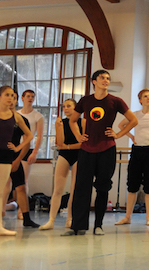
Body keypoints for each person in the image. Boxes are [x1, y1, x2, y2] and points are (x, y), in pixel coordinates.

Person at [65, 70, 138, 236]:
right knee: (81, 188)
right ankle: (78, 226)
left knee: (102, 188)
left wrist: (118, 135)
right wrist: (78, 136)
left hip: (107, 149)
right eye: (102, 78)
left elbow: (133, 120)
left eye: (108, 78)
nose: (105, 80)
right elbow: (72, 120)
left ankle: (98, 225)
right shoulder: (85, 100)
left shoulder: (115, 101)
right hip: (86, 149)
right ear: (94, 81)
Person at [0, 86, 33, 236]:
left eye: (12, 95)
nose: (10, 98)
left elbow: (29, 136)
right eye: (7, 95)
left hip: (6, 156)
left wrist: (18, 148)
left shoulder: (16, 117)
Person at [115, 89, 149, 227]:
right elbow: (121, 125)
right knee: (132, 185)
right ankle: (127, 216)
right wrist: (132, 137)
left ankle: (148, 217)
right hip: (137, 150)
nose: (148, 98)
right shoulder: (135, 114)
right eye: (145, 96)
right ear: (140, 100)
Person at [39, 99, 82, 230]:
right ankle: (51, 220)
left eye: (69, 106)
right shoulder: (60, 122)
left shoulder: (83, 122)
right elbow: (60, 143)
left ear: (75, 108)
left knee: (74, 190)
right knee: (58, 189)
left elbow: (83, 143)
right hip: (64, 155)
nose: (66, 108)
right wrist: (59, 127)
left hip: (78, 155)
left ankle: (70, 218)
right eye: (64, 106)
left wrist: (67, 147)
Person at [18, 90, 44, 190]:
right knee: (9, 179)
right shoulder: (16, 114)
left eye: (32, 96)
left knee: (24, 179)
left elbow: (40, 136)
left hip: (28, 148)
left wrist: (35, 152)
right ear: (22, 98)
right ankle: (8, 203)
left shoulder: (38, 116)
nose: (30, 98)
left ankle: (22, 205)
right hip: (15, 146)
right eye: (28, 96)